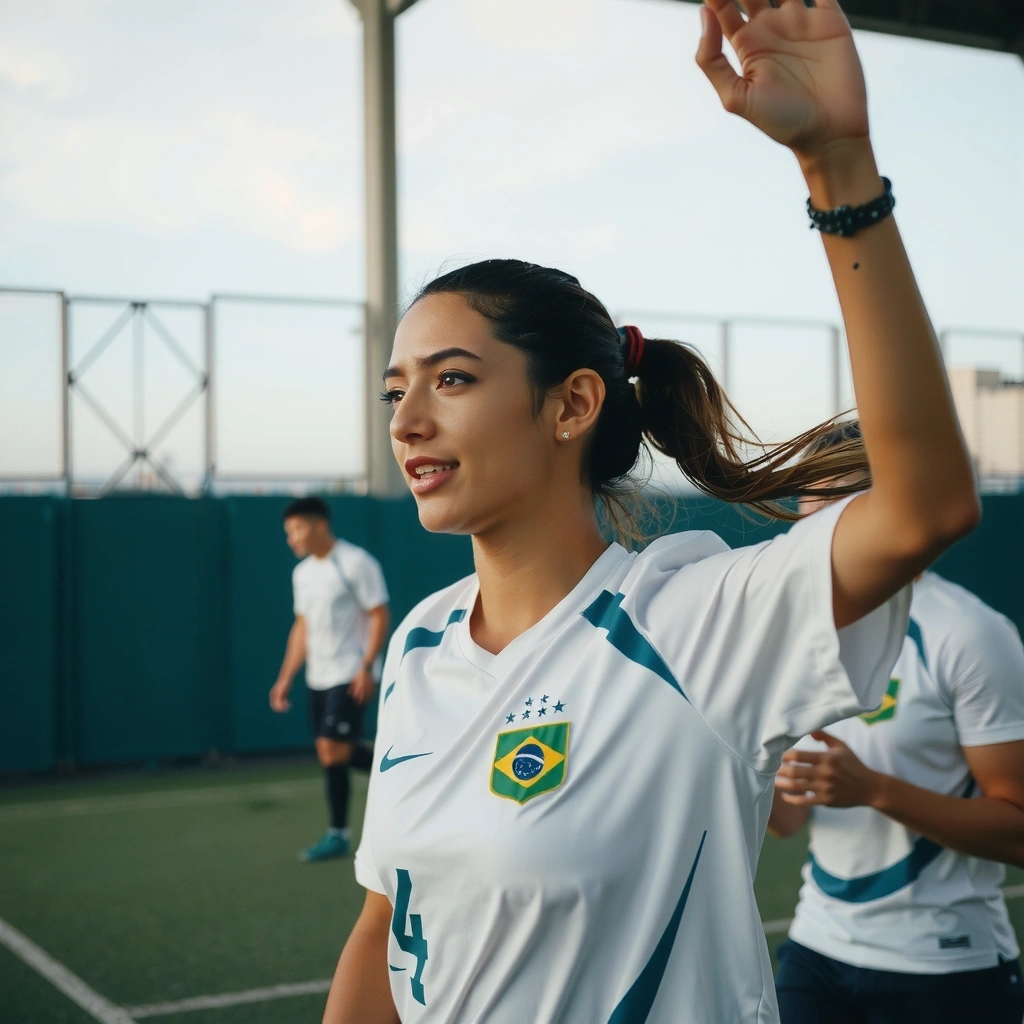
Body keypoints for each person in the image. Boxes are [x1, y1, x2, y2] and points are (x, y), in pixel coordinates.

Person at [323, 2, 981, 1021]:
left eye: (450, 379)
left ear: (572, 403)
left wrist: (837, 169)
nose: (405, 418)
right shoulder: (418, 646)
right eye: (393, 388)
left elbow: (925, 503)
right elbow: (381, 928)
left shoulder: (689, 620)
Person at [768, 429, 1024, 1024]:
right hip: (818, 947)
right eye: (805, 503)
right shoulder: (795, 632)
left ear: (887, 504)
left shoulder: (969, 635)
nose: (810, 525)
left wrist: (874, 789)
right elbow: (790, 818)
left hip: (947, 965)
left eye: (830, 503)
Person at [270, 496, 390, 862]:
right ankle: (402, 765)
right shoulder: (302, 574)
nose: (292, 538)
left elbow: (379, 614)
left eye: (297, 529)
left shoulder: (356, 563)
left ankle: (337, 834)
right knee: (332, 750)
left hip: (350, 671)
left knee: (330, 747)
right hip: (317, 675)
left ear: (320, 525)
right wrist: (285, 677)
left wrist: (367, 666)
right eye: (288, 532)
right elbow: (301, 627)